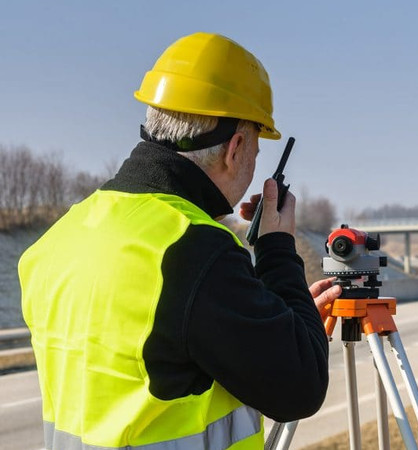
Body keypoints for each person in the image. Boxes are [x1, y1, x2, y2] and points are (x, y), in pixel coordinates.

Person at [18, 32, 340, 449]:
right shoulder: (195, 250)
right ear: (236, 147)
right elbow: (300, 386)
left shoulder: (59, 239)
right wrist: (277, 249)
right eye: (257, 149)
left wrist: (270, 321)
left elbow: (169, 343)